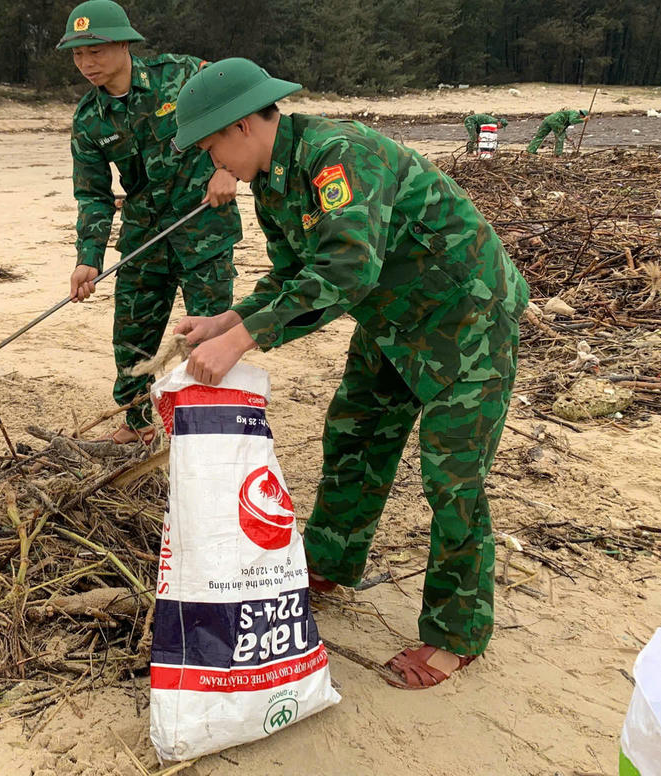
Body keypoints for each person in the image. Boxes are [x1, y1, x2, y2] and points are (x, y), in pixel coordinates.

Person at [169, 58, 528, 689]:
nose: (211, 161)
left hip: (464, 317)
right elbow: (293, 277)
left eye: (212, 145)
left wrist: (244, 341)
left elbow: (345, 271)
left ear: (247, 124)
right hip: (391, 320)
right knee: (355, 437)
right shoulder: (273, 182)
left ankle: (456, 634)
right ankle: (330, 563)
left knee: (453, 479)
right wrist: (227, 321)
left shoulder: (340, 158)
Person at [57, 0, 241, 445]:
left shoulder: (180, 75)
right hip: (144, 239)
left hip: (204, 233)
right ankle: (136, 425)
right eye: (78, 54)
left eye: (95, 50)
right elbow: (94, 195)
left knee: (210, 334)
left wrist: (228, 168)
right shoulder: (88, 120)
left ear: (124, 45)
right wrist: (88, 258)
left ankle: (209, 428)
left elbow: (241, 99)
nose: (86, 63)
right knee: (131, 336)